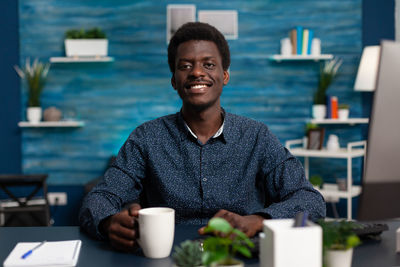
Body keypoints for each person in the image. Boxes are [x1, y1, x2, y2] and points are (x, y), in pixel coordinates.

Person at [79, 22, 326, 252]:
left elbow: (310, 199)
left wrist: (258, 220)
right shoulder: (146, 138)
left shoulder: (257, 136)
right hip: (168, 257)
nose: (197, 72)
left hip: (239, 255)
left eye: (208, 64)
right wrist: (108, 222)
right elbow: (100, 198)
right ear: (174, 80)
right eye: (185, 66)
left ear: (225, 76)